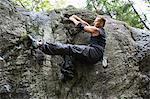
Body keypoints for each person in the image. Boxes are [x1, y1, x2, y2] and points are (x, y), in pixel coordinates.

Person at [28, 15, 106, 82]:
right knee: (69, 53)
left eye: (96, 21)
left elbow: (83, 27)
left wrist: (73, 19)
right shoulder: (99, 31)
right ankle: (68, 73)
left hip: (93, 52)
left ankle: (40, 45)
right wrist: (77, 17)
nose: (94, 22)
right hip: (94, 57)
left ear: (100, 23)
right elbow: (86, 24)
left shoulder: (97, 30)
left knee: (69, 48)